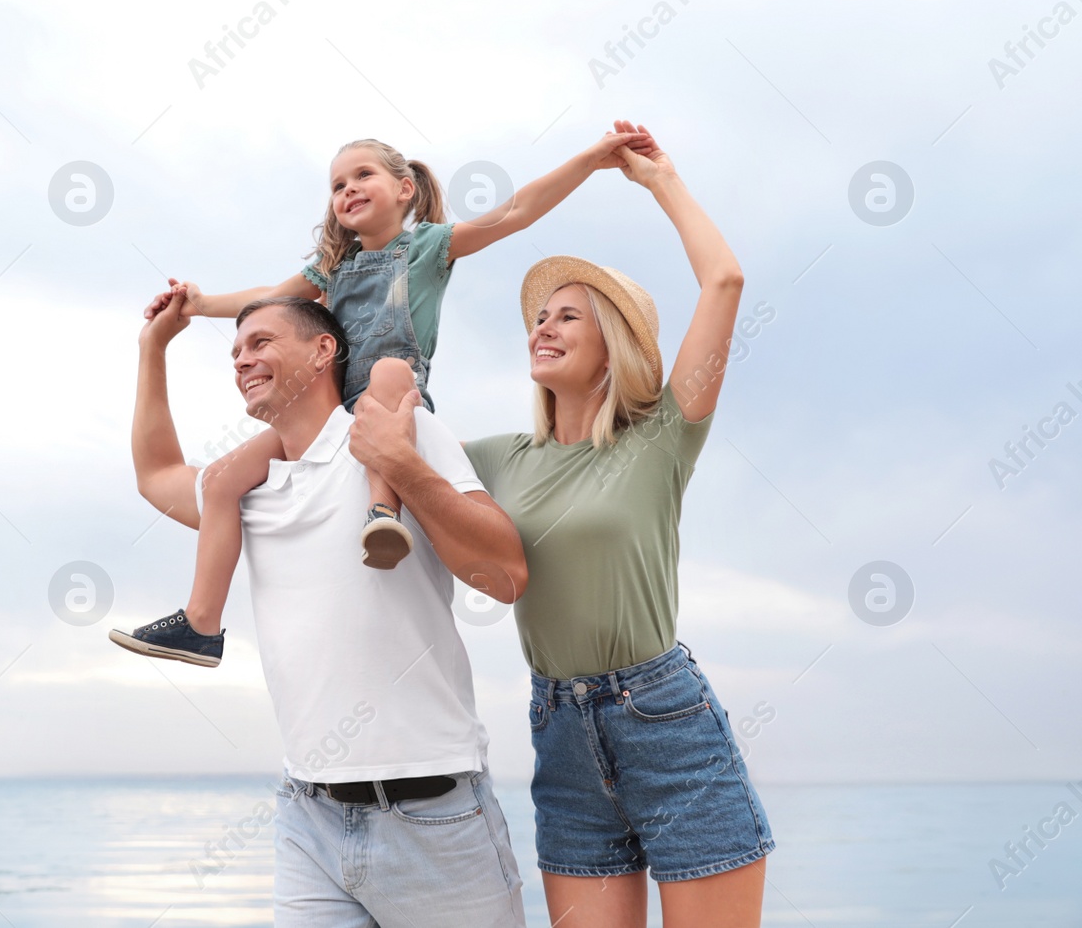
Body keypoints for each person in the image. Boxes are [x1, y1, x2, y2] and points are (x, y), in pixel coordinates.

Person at [111, 130, 650, 666]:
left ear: (405, 189)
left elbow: (517, 211)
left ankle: (380, 515)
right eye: (337, 184)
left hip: (393, 399)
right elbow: (269, 299)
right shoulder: (332, 270)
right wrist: (200, 304)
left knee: (390, 369)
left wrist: (590, 159)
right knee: (223, 478)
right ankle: (202, 622)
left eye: (363, 175)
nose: (348, 189)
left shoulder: (428, 248)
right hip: (331, 413)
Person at [129, 287, 530, 926]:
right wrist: (154, 347)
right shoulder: (246, 492)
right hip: (306, 817)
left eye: (260, 342)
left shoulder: (399, 429)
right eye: (234, 351)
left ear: (323, 351)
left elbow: (506, 575)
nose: (241, 360)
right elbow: (157, 474)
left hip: (433, 815)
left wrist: (399, 462)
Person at [463, 123, 774, 927]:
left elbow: (725, 280)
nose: (544, 325)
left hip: (665, 721)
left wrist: (659, 180)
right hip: (559, 734)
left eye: (569, 315)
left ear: (614, 346)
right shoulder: (498, 458)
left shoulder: (662, 435)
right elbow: (382, 438)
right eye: (539, 316)